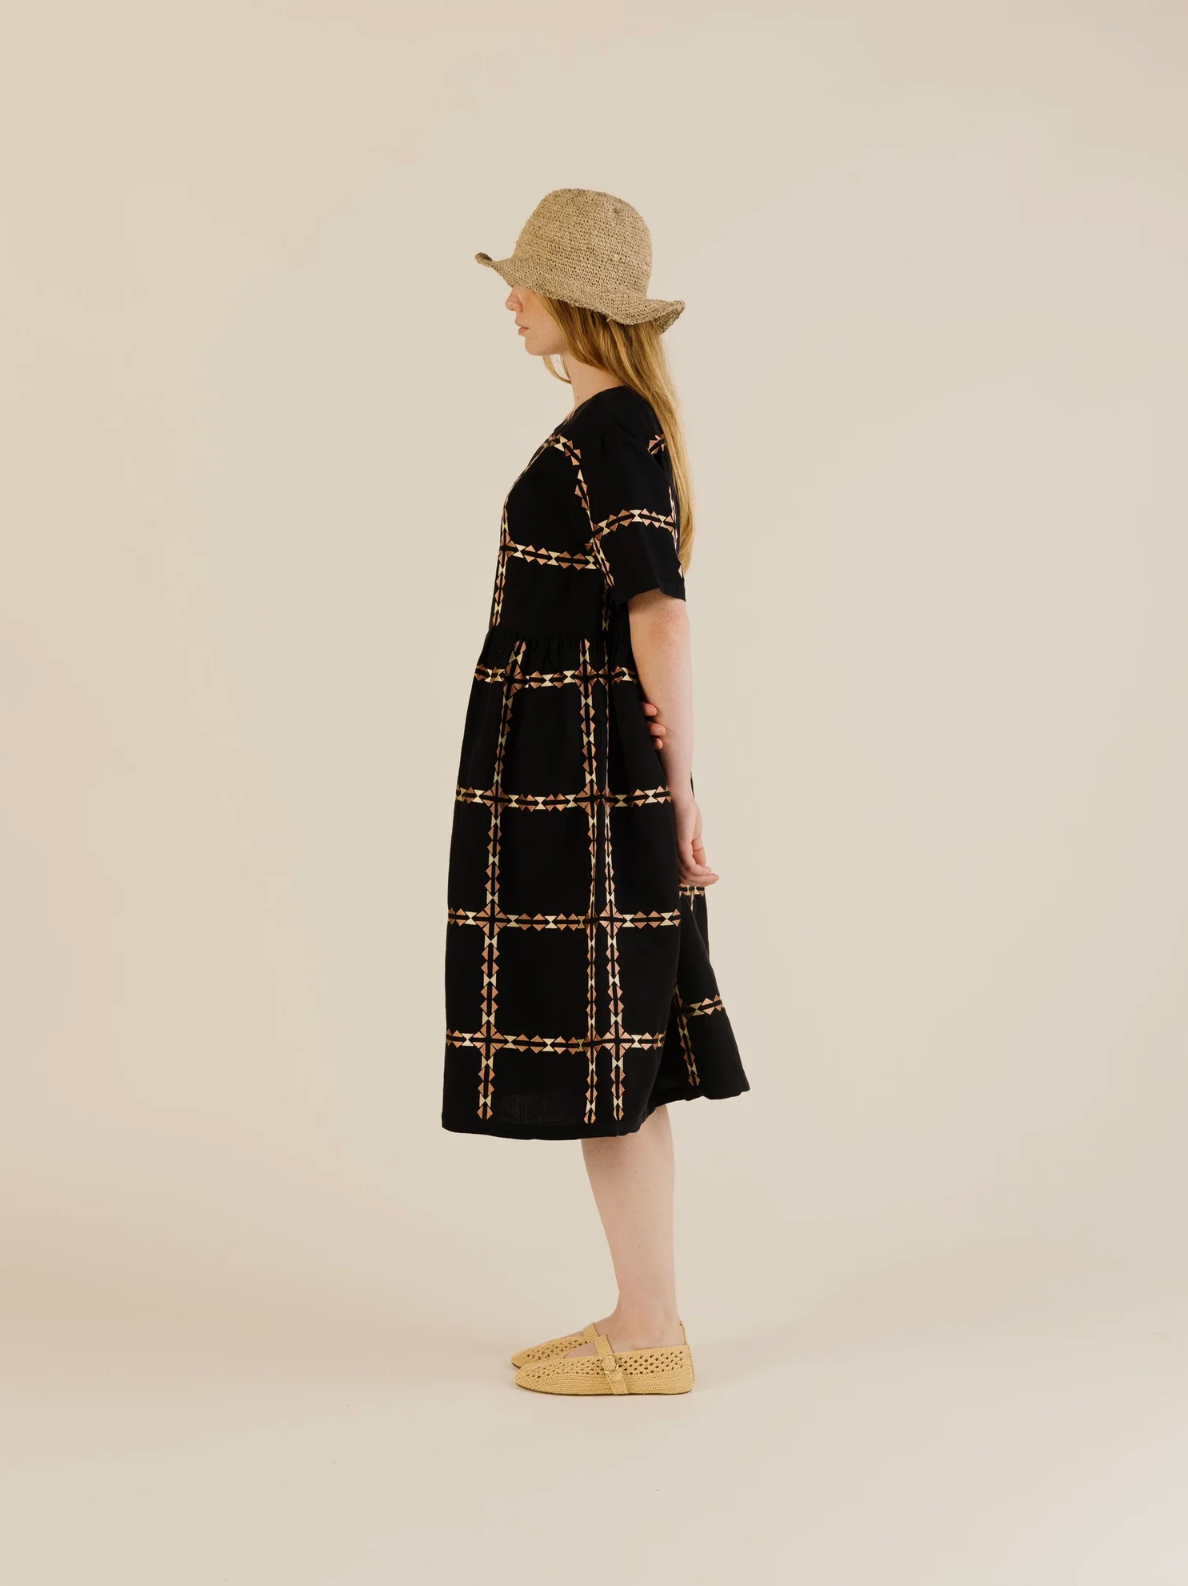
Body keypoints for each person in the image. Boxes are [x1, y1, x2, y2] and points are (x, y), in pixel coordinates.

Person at [442, 189, 750, 1396]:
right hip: (566, 764)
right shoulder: (602, 427)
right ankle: (641, 1313)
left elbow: (659, 609)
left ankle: (652, 1333)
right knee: (605, 1054)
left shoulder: (610, 429)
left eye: (523, 281)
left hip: (585, 772)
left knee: (608, 1047)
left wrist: (678, 791)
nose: (509, 300)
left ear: (576, 298)